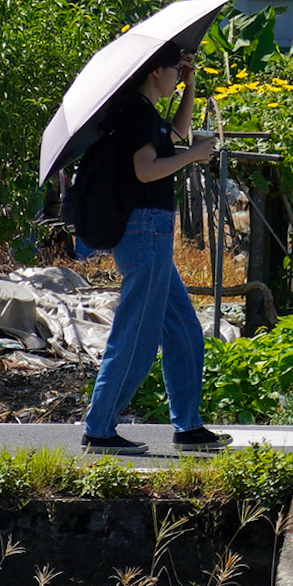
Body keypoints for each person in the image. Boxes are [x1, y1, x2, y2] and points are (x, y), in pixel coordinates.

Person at [81, 46, 230, 454]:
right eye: (173, 70)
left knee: (183, 330)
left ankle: (188, 427)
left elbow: (177, 133)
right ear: (154, 72)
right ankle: (99, 428)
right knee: (137, 334)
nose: (177, 75)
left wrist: (190, 85)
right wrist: (194, 156)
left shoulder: (147, 112)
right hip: (144, 230)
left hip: (153, 231)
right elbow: (145, 169)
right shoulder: (134, 113)